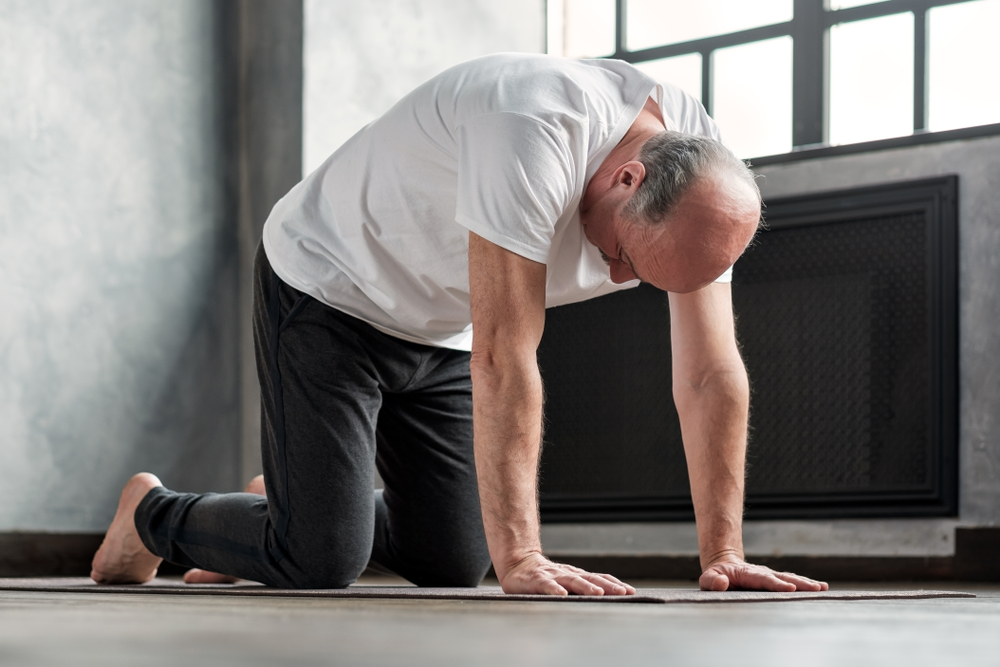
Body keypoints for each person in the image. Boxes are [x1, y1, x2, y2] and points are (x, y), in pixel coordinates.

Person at [91, 53, 828, 596]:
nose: (616, 278)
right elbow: (507, 355)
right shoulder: (534, 128)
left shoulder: (703, 181)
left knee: (447, 559)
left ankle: (287, 508)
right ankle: (153, 513)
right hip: (331, 289)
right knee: (320, 562)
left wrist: (724, 553)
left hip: (440, 327)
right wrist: (525, 558)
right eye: (626, 258)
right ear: (625, 177)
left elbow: (708, 370)